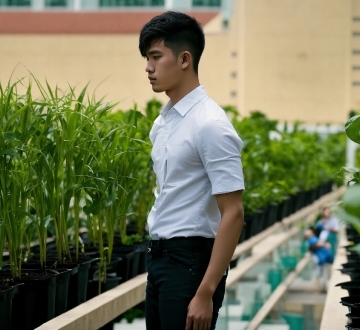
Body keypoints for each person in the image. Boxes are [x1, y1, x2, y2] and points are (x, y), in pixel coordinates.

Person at [139, 11, 245, 330]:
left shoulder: (210, 125)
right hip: (159, 258)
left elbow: (233, 212)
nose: (148, 67)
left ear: (185, 59)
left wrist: (205, 292)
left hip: (190, 265)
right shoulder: (164, 122)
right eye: (146, 58)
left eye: (156, 57)